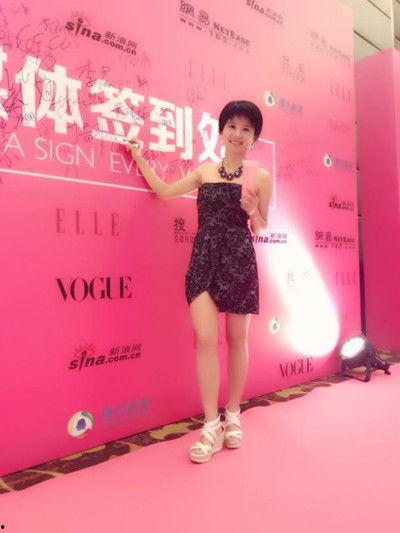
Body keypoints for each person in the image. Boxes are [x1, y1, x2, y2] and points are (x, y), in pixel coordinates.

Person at [126, 100, 272, 463]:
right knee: (205, 340)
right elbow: (164, 191)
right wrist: (138, 156)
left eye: (246, 129)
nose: (238, 134)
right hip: (204, 259)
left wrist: (253, 211)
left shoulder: (259, 177)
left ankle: (233, 414)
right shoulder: (205, 171)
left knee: (237, 340)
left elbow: (261, 228)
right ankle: (211, 425)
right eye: (232, 126)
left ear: (254, 138)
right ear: (221, 132)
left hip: (239, 261)